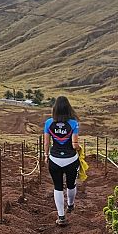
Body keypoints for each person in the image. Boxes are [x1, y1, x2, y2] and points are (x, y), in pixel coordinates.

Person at [42, 96, 81, 227]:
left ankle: (61, 216)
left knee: (58, 187)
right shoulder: (74, 123)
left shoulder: (48, 123)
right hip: (71, 160)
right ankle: (70, 205)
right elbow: (75, 145)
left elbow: (46, 143)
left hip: (55, 159)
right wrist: (80, 148)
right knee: (71, 184)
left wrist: (46, 155)